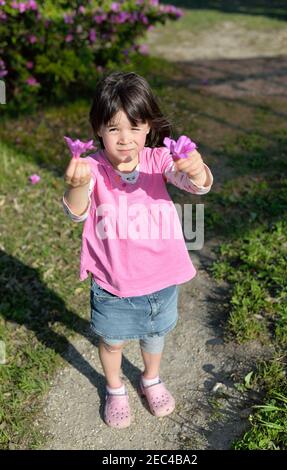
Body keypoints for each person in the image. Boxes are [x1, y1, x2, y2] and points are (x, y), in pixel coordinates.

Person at [62, 71, 213, 429]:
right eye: (114, 129)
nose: (125, 139)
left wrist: (196, 169)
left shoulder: (158, 161)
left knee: (154, 335)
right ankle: (115, 388)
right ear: (98, 129)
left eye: (135, 127)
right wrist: (76, 185)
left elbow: (196, 186)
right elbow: (76, 210)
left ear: (149, 127)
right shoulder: (93, 169)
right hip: (113, 283)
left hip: (160, 279)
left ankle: (150, 378)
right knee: (112, 343)